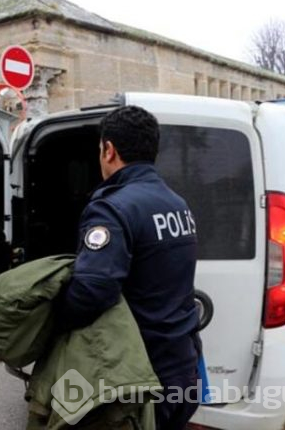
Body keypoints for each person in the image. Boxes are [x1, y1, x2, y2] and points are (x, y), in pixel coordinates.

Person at [56, 105, 201, 430]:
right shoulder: (177, 203)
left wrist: (51, 323)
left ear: (109, 150)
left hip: (139, 373)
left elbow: (92, 290)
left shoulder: (112, 208)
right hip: (183, 364)